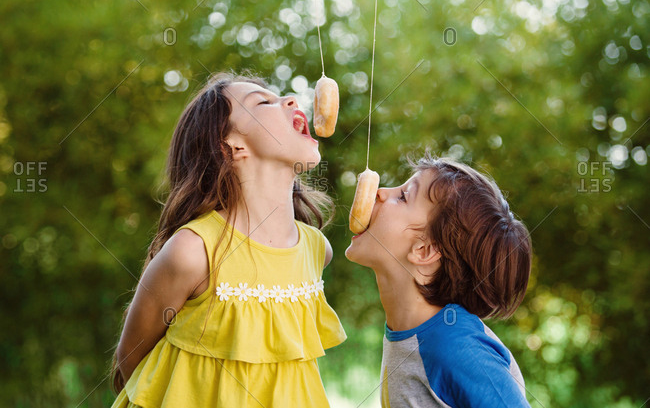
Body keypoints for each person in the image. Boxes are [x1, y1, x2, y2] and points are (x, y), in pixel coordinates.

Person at [109, 73, 346, 407]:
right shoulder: (193, 251)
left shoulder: (316, 250)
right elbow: (131, 359)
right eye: (264, 102)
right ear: (232, 146)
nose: (291, 100)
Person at [345, 154, 532, 407]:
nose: (379, 192)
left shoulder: (454, 347)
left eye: (403, 197)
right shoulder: (410, 331)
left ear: (423, 251)